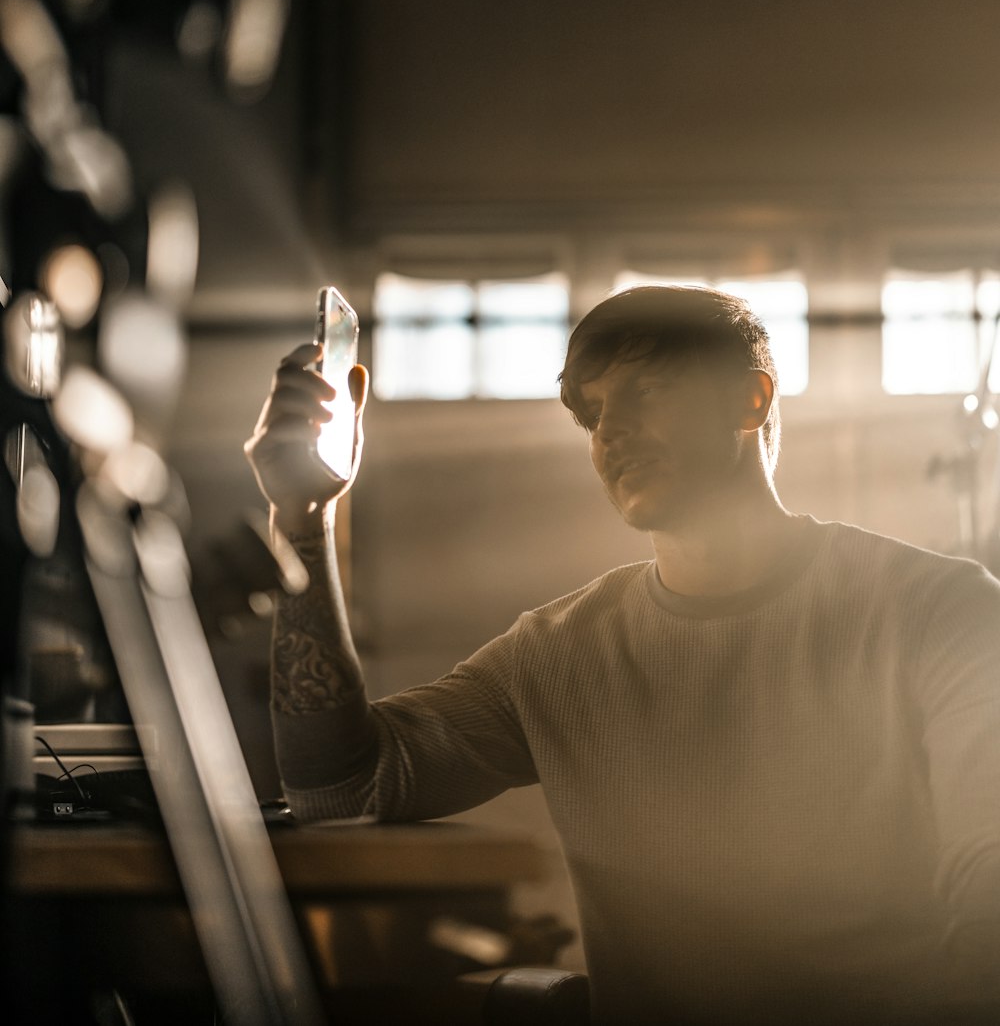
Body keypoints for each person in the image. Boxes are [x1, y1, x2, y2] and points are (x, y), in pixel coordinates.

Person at [245, 283, 1000, 1025]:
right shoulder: (557, 652)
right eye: (595, 412)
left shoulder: (940, 608)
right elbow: (340, 786)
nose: (610, 432)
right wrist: (304, 516)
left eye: (648, 392)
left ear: (751, 400)